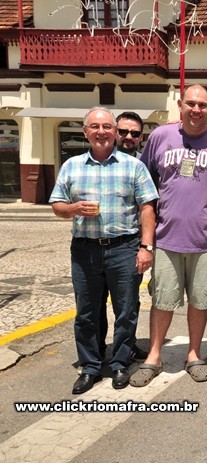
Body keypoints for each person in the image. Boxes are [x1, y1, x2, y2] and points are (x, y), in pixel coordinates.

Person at [130, 84, 207, 387]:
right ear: (180, 105)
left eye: (202, 105)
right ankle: (154, 357)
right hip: (166, 238)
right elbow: (143, 182)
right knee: (162, 299)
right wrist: (145, 238)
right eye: (191, 104)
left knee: (200, 299)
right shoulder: (161, 136)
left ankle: (194, 355)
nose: (196, 110)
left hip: (206, 240)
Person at [49, 107, 158, 394]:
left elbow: (147, 208)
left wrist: (146, 247)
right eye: (95, 127)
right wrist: (72, 209)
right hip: (85, 250)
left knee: (126, 310)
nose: (102, 132)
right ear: (85, 132)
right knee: (87, 312)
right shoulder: (71, 166)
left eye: (107, 127)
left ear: (114, 132)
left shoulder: (133, 166)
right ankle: (90, 366)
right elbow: (57, 205)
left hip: (124, 247)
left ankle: (120, 362)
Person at [98, 110, 148, 362]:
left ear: (141, 137)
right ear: (115, 132)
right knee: (95, 303)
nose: (129, 137)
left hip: (132, 243)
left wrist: (147, 245)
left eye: (135, 133)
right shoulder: (98, 160)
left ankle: (127, 346)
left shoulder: (144, 165)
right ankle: (96, 351)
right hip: (96, 244)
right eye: (124, 131)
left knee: (128, 302)